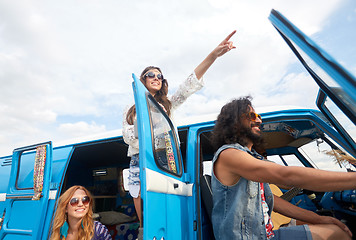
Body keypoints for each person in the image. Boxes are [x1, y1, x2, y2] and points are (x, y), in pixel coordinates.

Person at [122, 30, 236, 234]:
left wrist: (213, 56)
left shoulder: (168, 105)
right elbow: (128, 137)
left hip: (166, 159)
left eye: (160, 75)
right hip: (139, 160)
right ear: (142, 80)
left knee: (164, 204)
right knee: (141, 205)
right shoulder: (131, 110)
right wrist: (151, 128)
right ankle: (142, 230)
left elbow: (188, 85)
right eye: (151, 74)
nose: (156, 77)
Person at [210, 96, 355, 240]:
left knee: (333, 227)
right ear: (234, 122)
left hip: (265, 233)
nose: (259, 120)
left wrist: (320, 219)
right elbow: (286, 175)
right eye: (252, 115)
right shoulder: (228, 154)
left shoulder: (251, 159)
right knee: (338, 233)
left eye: (259, 116)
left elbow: (277, 201)